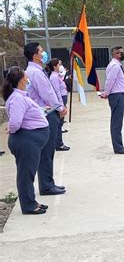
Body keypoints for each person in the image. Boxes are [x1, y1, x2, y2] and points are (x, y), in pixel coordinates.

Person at [4, 67, 50, 214]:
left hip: (30, 140)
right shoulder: (17, 98)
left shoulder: (21, 95)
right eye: (26, 76)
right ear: (22, 80)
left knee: (28, 172)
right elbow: (15, 122)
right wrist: (11, 129)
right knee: (26, 174)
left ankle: (31, 201)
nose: (28, 78)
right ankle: (28, 205)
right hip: (26, 140)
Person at [24, 42, 67, 196]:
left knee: (47, 152)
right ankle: (46, 186)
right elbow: (47, 94)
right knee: (47, 151)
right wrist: (61, 108)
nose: (44, 54)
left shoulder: (33, 71)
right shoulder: (35, 73)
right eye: (41, 51)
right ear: (35, 56)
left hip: (44, 113)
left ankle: (48, 183)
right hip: (47, 114)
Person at [101, 46, 124, 155]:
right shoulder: (115, 66)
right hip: (116, 96)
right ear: (115, 54)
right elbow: (110, 81)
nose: (121, 55)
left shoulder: (117, 65)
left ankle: (120, 145)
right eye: (119, 53)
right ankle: (118, 147)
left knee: (118, 122)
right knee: (116, 123)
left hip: (119, 95)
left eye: (122, 52)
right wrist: (106, 93)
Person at [46, 58, 70, 152]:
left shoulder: (57, 76)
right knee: (59, 123)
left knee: (60, 123)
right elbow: (57, 92)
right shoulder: (54, 77)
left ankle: (59, 143)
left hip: (63, 98)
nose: (60, 66)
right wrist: (61, 105)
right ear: (55, 66)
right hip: (60, 100)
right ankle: (59, 144)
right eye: (59, 65)